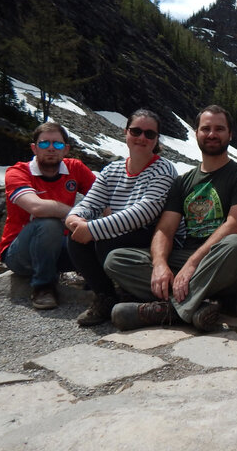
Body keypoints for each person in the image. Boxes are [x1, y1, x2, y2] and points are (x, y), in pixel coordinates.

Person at [105, 105, 237, 332]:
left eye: (219, 129)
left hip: (225, 262)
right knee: (116, 259)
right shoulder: (183, 182)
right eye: (205, 129)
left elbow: (235, 225)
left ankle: (168, 308)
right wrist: (159, 265)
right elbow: (166, 229)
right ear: (196, 133)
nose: (212, 134)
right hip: (188, 260)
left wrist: (192, 264)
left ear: (230, 134)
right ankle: (194, 306)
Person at [64, 109, 178, 326]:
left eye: (149, 134)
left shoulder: (164, 169)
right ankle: (106, 296)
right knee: (75, 238)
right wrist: (75, 220)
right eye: (136, 131)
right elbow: (89, 203)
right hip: (120, 233)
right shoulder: (112, 170)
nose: (142, 138)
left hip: (152, 235)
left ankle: (128, 293)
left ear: (156, 140)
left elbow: (146, 211)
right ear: (125, 132)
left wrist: (93, 229)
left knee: (102, 238)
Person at [0, 122, 96, 309]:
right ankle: (43, 287)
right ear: (34, 148)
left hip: (58, 250)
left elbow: (104, 199)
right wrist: (76, 214)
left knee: (99, 228)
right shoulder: (18, 172)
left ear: (66, 149)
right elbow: (37, 207)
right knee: (49, 223)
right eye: (44, 144)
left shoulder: (75, 168)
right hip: (19, 253)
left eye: (57, 144)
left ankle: (96, 286)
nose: (51, 148)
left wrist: (109, 224)